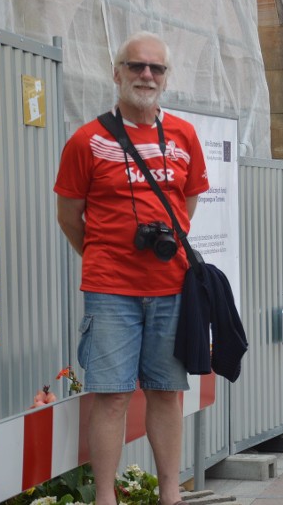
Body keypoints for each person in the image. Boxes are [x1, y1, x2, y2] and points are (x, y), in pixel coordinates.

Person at [54, 31, 209, 505]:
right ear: (116, 72)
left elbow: (189, 201)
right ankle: (106, 498)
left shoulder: (183, 135)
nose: (146, 75)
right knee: (113, 396)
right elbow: (68, 215)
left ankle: (169, 495)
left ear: (166, 78)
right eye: (136, 66)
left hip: (172, 287)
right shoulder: (88, 140)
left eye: (156, 69)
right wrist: (104, 258)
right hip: (111, 291)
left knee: (166, 393)